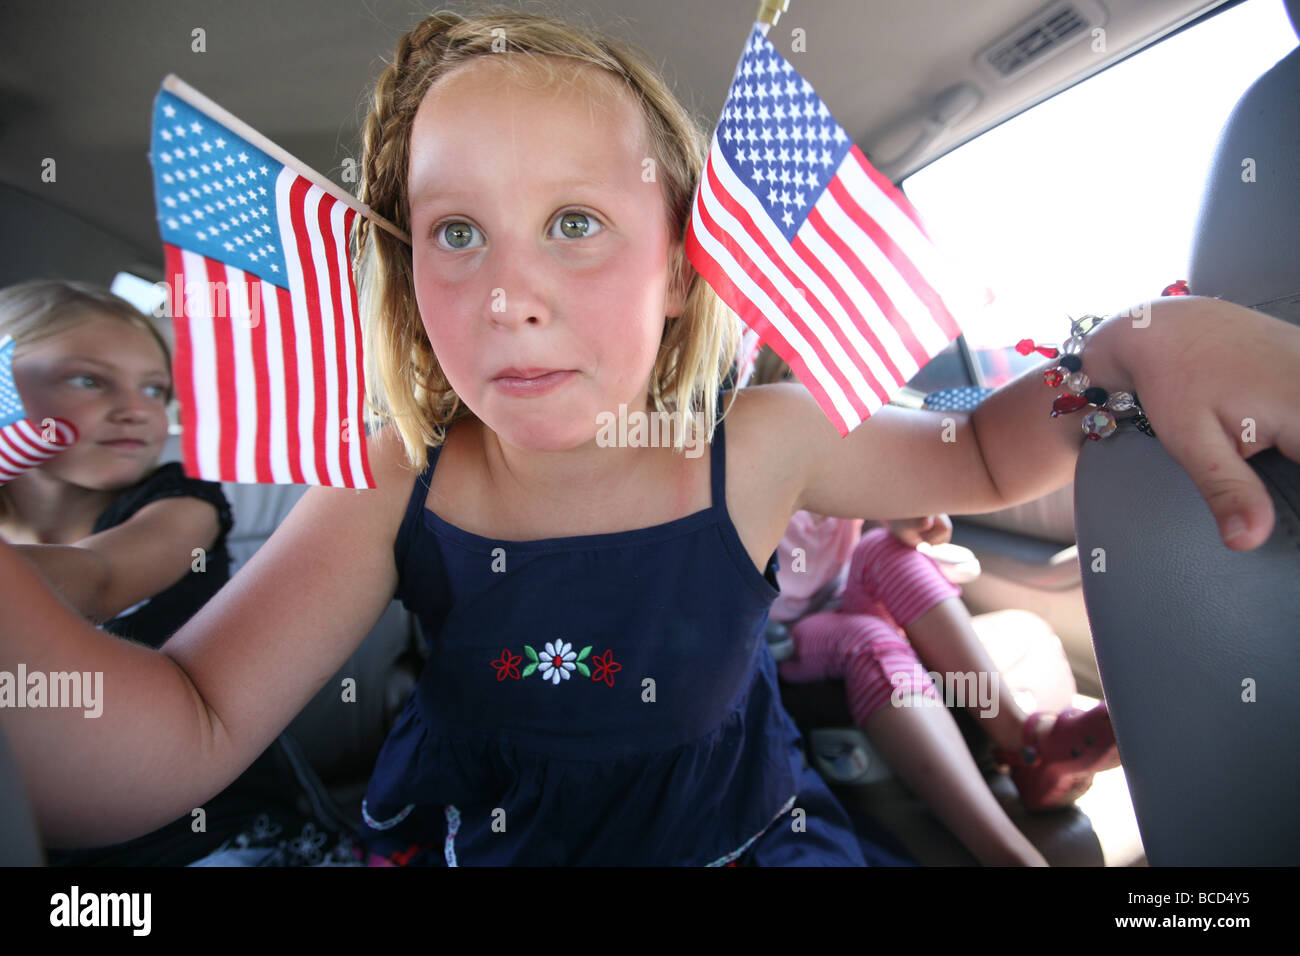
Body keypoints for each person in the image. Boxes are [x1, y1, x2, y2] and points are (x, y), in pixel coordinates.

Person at [2, 10, 1299, 867]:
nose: (511, 288)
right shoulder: (406, 473)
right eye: (458, 233)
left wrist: (1122, 347)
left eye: (574, 223)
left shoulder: (763, 440)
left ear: (682, 270)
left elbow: (977, 461)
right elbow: (179, 725)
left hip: (731, 834)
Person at [0, 279, 354, 866]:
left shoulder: (182, 504)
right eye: (88, 379)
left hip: (212, 832)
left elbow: (98, 578)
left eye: (154, 388)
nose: (137, 409)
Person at [755, 348, 1115, 867]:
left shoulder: (850, 449)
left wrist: (906, 523)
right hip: (784, 636)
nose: (831, 414)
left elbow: (884, 518)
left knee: (888, 551)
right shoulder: (752, 469)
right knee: (864, 637)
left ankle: (1024, 739)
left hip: (837, 599)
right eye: (807, 390)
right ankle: (1004, 852)